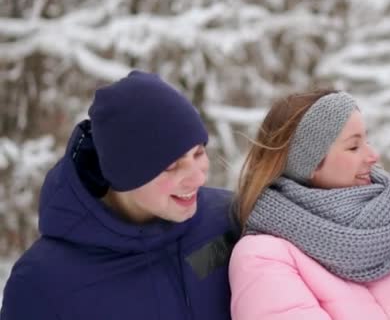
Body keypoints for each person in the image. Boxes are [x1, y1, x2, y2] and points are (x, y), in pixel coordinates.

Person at [0, 71, 237, 320]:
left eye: (198, 153)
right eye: (171, 166)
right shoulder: (43, 285)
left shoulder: (228, 220)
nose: (198, 178)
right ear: (125, 174)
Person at [229, 90, 390, 320]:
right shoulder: (263, 258)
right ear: (309, 164)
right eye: (354, 147)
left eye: (367, 140)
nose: (373, 155)